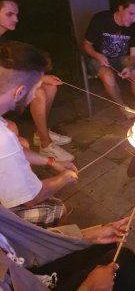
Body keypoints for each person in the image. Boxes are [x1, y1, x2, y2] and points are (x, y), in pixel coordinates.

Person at [0, 206, 135, 290]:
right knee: (122, 260)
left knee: (99, 247)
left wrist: (88, 236)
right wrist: (89, 287)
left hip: (24, 272)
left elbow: (24, 244)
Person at [0, 40, 78, 228]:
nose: (36, 95)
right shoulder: (3, 138)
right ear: (19, 93)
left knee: (21, 141)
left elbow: (15, 150)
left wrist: (52, 162)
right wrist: (65, 178)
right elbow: (32, 198)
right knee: (56, 208)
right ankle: (55, 250)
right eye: (35, 89)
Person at [0, 0, 74, 161]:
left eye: (16, 14)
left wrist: (41, 79)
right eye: (9, 14)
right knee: (39, 93)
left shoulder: (6, 37)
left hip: (9, 87)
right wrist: (38, 80)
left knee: (51, 86)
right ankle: (46, 146)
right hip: (5, 95)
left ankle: (40, 134)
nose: (16, 19)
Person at [83, 0, 135, 119]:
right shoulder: (101, 19)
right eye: (131, 13)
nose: (134, 19)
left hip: (121, 58)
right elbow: (86, 44)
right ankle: (122, 107)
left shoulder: (133, 28)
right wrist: (97, 55)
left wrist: (130, 67)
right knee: (108, 76)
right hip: (99, 59)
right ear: (120, 8)